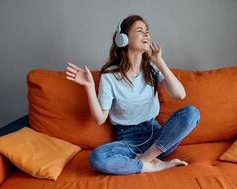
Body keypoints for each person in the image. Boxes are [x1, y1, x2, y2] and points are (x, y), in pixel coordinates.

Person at [65, 15, 200, 175]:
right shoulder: (109, 75)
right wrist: (89, 86)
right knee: (97, 158)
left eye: (147, 31)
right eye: (140, 31)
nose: (146, 35)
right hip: (127, 140)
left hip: (158, 140)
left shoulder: (151, 68)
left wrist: (159, 62)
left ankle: (145, 160)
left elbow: (180, 95)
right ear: (123, 39)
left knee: (192, 113)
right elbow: (100, 118)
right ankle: (153, 165)